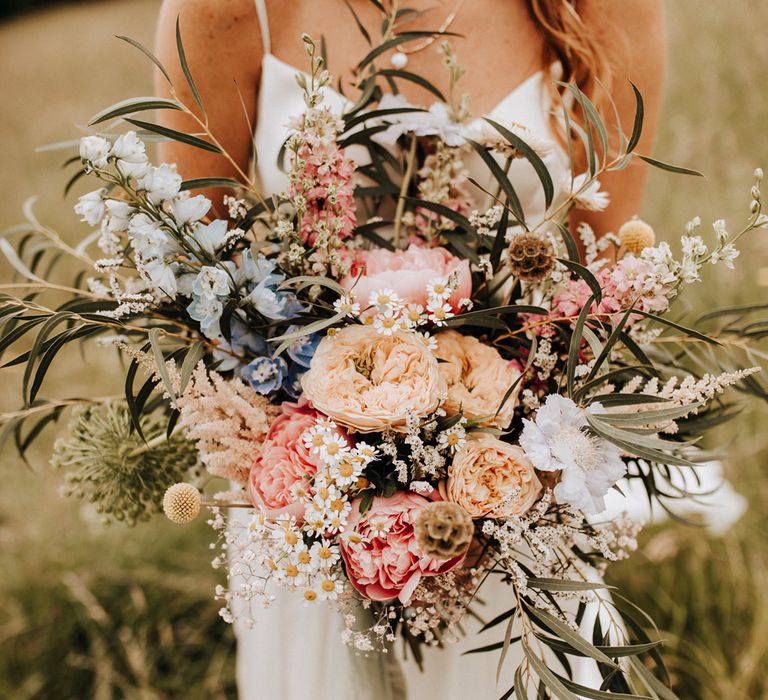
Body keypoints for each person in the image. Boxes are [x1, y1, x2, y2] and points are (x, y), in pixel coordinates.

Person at [153, 1, 668, 698]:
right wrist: (319, 464)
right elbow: (198, 276)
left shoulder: (600, 7)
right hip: (306, 500)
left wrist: (487, 460)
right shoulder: (225, 10)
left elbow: (601, 274)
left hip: (509, 510)